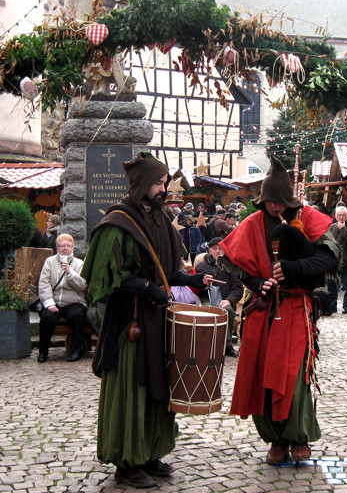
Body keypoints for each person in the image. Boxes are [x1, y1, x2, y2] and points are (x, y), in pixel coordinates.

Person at [80, 152, 211, 489]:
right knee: (132, 389)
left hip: (157, 321)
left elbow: (167, 273)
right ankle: (127, 462)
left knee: (157, 387)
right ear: (141, 184)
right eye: (157, 182)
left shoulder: (161, 221)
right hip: (130, 326)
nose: (163, 189)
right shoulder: (118, 223)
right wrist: (146, 288)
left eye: (165, 182)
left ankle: (151, 453)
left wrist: (190, 280)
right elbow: (107, 280)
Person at [219, 157, 338, 465]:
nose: (273, 207)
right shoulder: (252, 223)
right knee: (262, 376)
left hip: (297, 308)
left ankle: (298, 437)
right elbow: (235, 263)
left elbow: (329, 258)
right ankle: (275, 440)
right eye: (268, 201)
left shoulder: (308, 217)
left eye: (278, 202)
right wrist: (258, 282)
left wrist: (295, 267)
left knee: (293, 376)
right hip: (262, 313)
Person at [37, 233, 89, 363]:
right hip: (54, 301)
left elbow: (82, 285)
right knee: (47, 317)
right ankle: (43, 350)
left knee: (76, 316)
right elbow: (44, 284)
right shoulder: (50, 262)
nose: (65, 248)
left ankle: (78, 349)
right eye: (62, 246)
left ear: (73, 247)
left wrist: (70, 273)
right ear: (57, 247)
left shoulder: (79, 263)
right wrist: (49, 303)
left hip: (73, 301)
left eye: (68, 246)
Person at [194, 237, 243, 358]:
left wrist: (229, 300)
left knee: (228, 311)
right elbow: (194, 286)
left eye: (220, 249)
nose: (217, 251)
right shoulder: (201, 266)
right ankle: (204, 344)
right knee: (205, 311)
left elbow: (238, 288)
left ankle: (227, 345)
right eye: (214, 249)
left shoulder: (229, 266)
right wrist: (202, 287)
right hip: (206, 300)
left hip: (224, 300)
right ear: (209, 250)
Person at [327, 205, 347, 315]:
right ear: (335, 216)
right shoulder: (332, 227)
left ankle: (346, 307)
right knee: (331, 285)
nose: (341, 217)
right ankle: (332, 306)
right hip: (334, 261)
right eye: (339, 215)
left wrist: (343, 229)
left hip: (346, 261)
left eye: (343, 215)